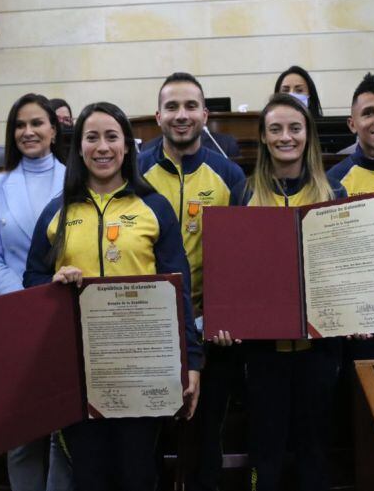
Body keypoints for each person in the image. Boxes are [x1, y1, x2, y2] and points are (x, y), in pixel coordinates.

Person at [23, 102, 202, 491]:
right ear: (79, 148)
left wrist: (193, 363)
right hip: (78, 372)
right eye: (92, 137)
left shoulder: (154, 208)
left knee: (138, 473)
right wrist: (54, 280)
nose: (102, 147)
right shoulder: (57, 211)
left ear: (126, 146)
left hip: (144, 368)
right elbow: (32, 280)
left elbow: (180, 291)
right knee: (89, 476)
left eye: (111, 137)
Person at [138, 73, 246, 491]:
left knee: (207, 439)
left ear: (205, 114)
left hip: (210, 329)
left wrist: (226, 317)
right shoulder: (137, 172)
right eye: (172, 107)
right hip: (149, 329)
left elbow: (240, 258)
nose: (181, 116)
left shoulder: (229, 174)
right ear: (158, 116)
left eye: (189, 107)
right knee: (147, 439)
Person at [236, 93, 345, 491]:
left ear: (308, 134)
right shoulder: (245, 196)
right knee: (265, 457)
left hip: (319, 352)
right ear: (263, 138)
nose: (286, 137)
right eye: (276, 129)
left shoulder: (335, 194)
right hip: (264, 356)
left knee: (315, 456)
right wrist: (229, 318)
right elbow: (235, 276)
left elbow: (347, 270)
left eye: (295, 128)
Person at [0, 94, 72, 491]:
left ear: (54, 130)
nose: (28, 132)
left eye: (37, 123)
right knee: (21, 438)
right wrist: (27, 303)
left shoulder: (77, 180)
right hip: (15, 319)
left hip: (68, 317)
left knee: (64, 435)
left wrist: (50, 300)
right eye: (20, 125)